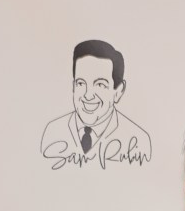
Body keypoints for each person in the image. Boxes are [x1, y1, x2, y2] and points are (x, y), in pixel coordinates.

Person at [41, 39, 152, 169]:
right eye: (81, 83)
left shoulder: (138, 140)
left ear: (118, 91)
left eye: (100, 85)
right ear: (73, 86)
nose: (88, 95)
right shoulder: (52, 131)